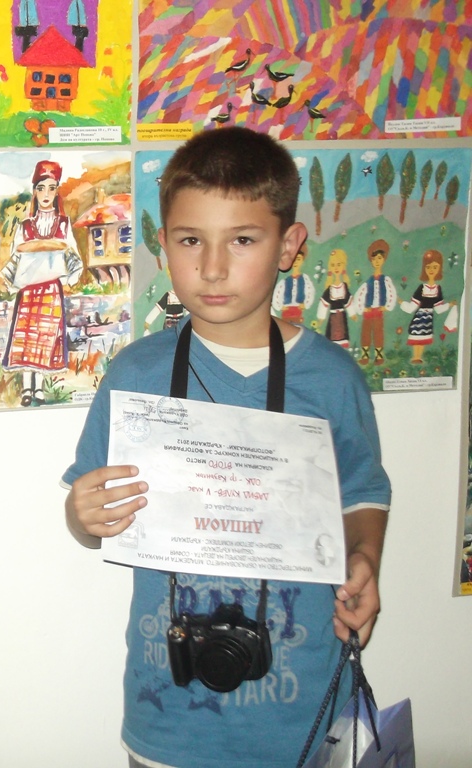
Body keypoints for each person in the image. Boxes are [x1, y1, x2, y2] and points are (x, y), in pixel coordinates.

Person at [62, 127, 390, 768]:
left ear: (288, 245)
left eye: (242, 240)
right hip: (169, 718)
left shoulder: (331, 378)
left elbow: (364, 492)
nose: (212, 268)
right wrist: (83, 516)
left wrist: (365, 559)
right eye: (191, 241)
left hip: (305, 716)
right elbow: (89, 525)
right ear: (164, 246)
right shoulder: (136, 374)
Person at [1, 159, 82, 406]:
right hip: (28, 290)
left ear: (57, 192)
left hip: (50, 290)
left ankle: (39, 390)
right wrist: (8, 279)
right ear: (34, 191)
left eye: (51, 188)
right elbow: (17, 254)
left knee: (46, 337)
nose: (46, 194)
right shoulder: (25, 226)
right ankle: (27, 388)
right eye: (41, 188)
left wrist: (70, 275)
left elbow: (72, 253)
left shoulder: (64, 225)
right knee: (26, 338)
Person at [400, 248, 455, 364]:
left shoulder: (437, 289)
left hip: (429, 317)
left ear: (439, 268)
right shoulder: (421, 288)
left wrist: (450, 305)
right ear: (424, 269)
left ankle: (419, 357)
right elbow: (413, 306)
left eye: (435, 267)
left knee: (424, 336)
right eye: (428, 267)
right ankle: (415, 356)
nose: (431, 270)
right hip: (419, 316)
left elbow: (438, 308)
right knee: (416, 335)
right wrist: (401, 303)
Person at [351, 239, 397, 366]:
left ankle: (379, 356)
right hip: (368, 312)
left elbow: (391, 293)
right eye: (374, 259)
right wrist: (362, 308)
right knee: (365, 334)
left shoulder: (385, 280)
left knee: (378, 334)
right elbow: (360, 295)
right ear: (371, 261)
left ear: (384, 260)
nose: (376, 261)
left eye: (379, 258)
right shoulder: (369, 281)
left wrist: (387, 306)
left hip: (378, 312)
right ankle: (365, 356)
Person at [316, 247, 353, 347]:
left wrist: (352, 313)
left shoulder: (344, 287)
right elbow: (324, 303)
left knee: (342, 336)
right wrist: (321, 318)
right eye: (333, 265)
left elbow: (348, 301)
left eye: (338, 265)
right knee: (332, 337)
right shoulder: (329, 289)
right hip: (333, 317)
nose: (336, 268)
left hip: (341, 317)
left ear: (343, 266)